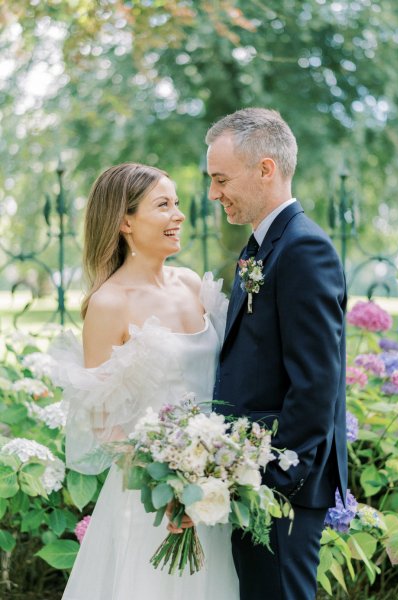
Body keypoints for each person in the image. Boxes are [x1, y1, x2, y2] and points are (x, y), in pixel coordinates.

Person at [50, 163, 239, 599]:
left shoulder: (191, 284)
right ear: (125, 222)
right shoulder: (110, 303)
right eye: (163, 205)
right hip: (151, 498)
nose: (178, 215)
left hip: (213, 490)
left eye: (176, 204)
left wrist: (211, 477)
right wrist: (170, 487)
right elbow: (103, 421)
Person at [206, 108, 347, 600]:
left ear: (265, 168)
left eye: (221, 179)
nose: (213, 193)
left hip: (279, 487)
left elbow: (316, 383)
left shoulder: (304, 249)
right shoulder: (262, 248)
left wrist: (275, 479)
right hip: (253, 478)